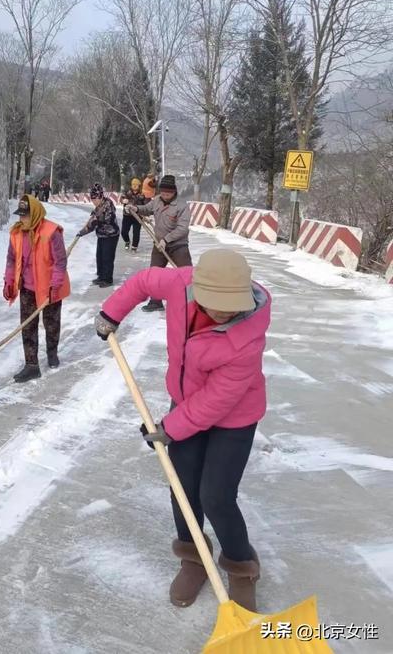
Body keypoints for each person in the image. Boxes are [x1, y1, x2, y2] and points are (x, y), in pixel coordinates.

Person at [95, 249, 270, 612]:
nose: (223, 311)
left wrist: (168, 428)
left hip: (233, 418)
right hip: (185, 401)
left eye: (230, 304)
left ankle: (241, 567)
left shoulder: (248, 337)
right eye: (216, 303)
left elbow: (218, 400)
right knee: (183, 488)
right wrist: (111, 313)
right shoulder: (179, 283)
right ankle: (195, 559)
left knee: (217, 496)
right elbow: (142, 282)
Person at [3, 195, 70, 383]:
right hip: (27, 287)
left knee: (51, 323)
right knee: (28, 326)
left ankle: (52, 352)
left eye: (25, 216)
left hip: (50, 288)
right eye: (20, 215)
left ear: (35, 214)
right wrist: (9, 282)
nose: (21, 219)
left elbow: (60, 262)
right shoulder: (16, 233)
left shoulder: (51, 232)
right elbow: (11, 259)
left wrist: (54, 286)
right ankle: (31, 365)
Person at [126, 174, 191, 311]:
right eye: (163, 191)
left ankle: (192, 302)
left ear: (174, 192)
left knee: (187, 274)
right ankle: (156, 301)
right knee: (154, 274)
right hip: (159, 245)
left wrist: (166, 240)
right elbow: (146, 209)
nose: (165, 194)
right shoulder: (156, 201)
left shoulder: (182, 206)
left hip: (178, 245)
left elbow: (182, 228)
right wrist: (135, 208)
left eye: (168, 192)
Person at [77, 183, 120, 287]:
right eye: (92, 199)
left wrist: (97, 220)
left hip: (111, 235)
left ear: (101, 197)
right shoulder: (97, 208)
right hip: (101, 235)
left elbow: (107, 219)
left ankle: (108, 279)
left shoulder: (108, 205)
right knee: (99, 256)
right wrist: (82, 232)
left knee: (107, 257)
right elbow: (91, 223)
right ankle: (101, 276)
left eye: (95, 199)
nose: (94, 201)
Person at [120, 177, 146, 252]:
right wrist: (123, 200)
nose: (134, 186)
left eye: (136, 185)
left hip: (138, 216)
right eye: (133, 184)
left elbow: (145, 206)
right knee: (124, 232)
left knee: (136, 232)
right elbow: (121, 199)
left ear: (139, 186)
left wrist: (144, 215)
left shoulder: (142, 194)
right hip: (127, 215)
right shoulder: (127, 192)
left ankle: (134, 247)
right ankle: (127, 241)